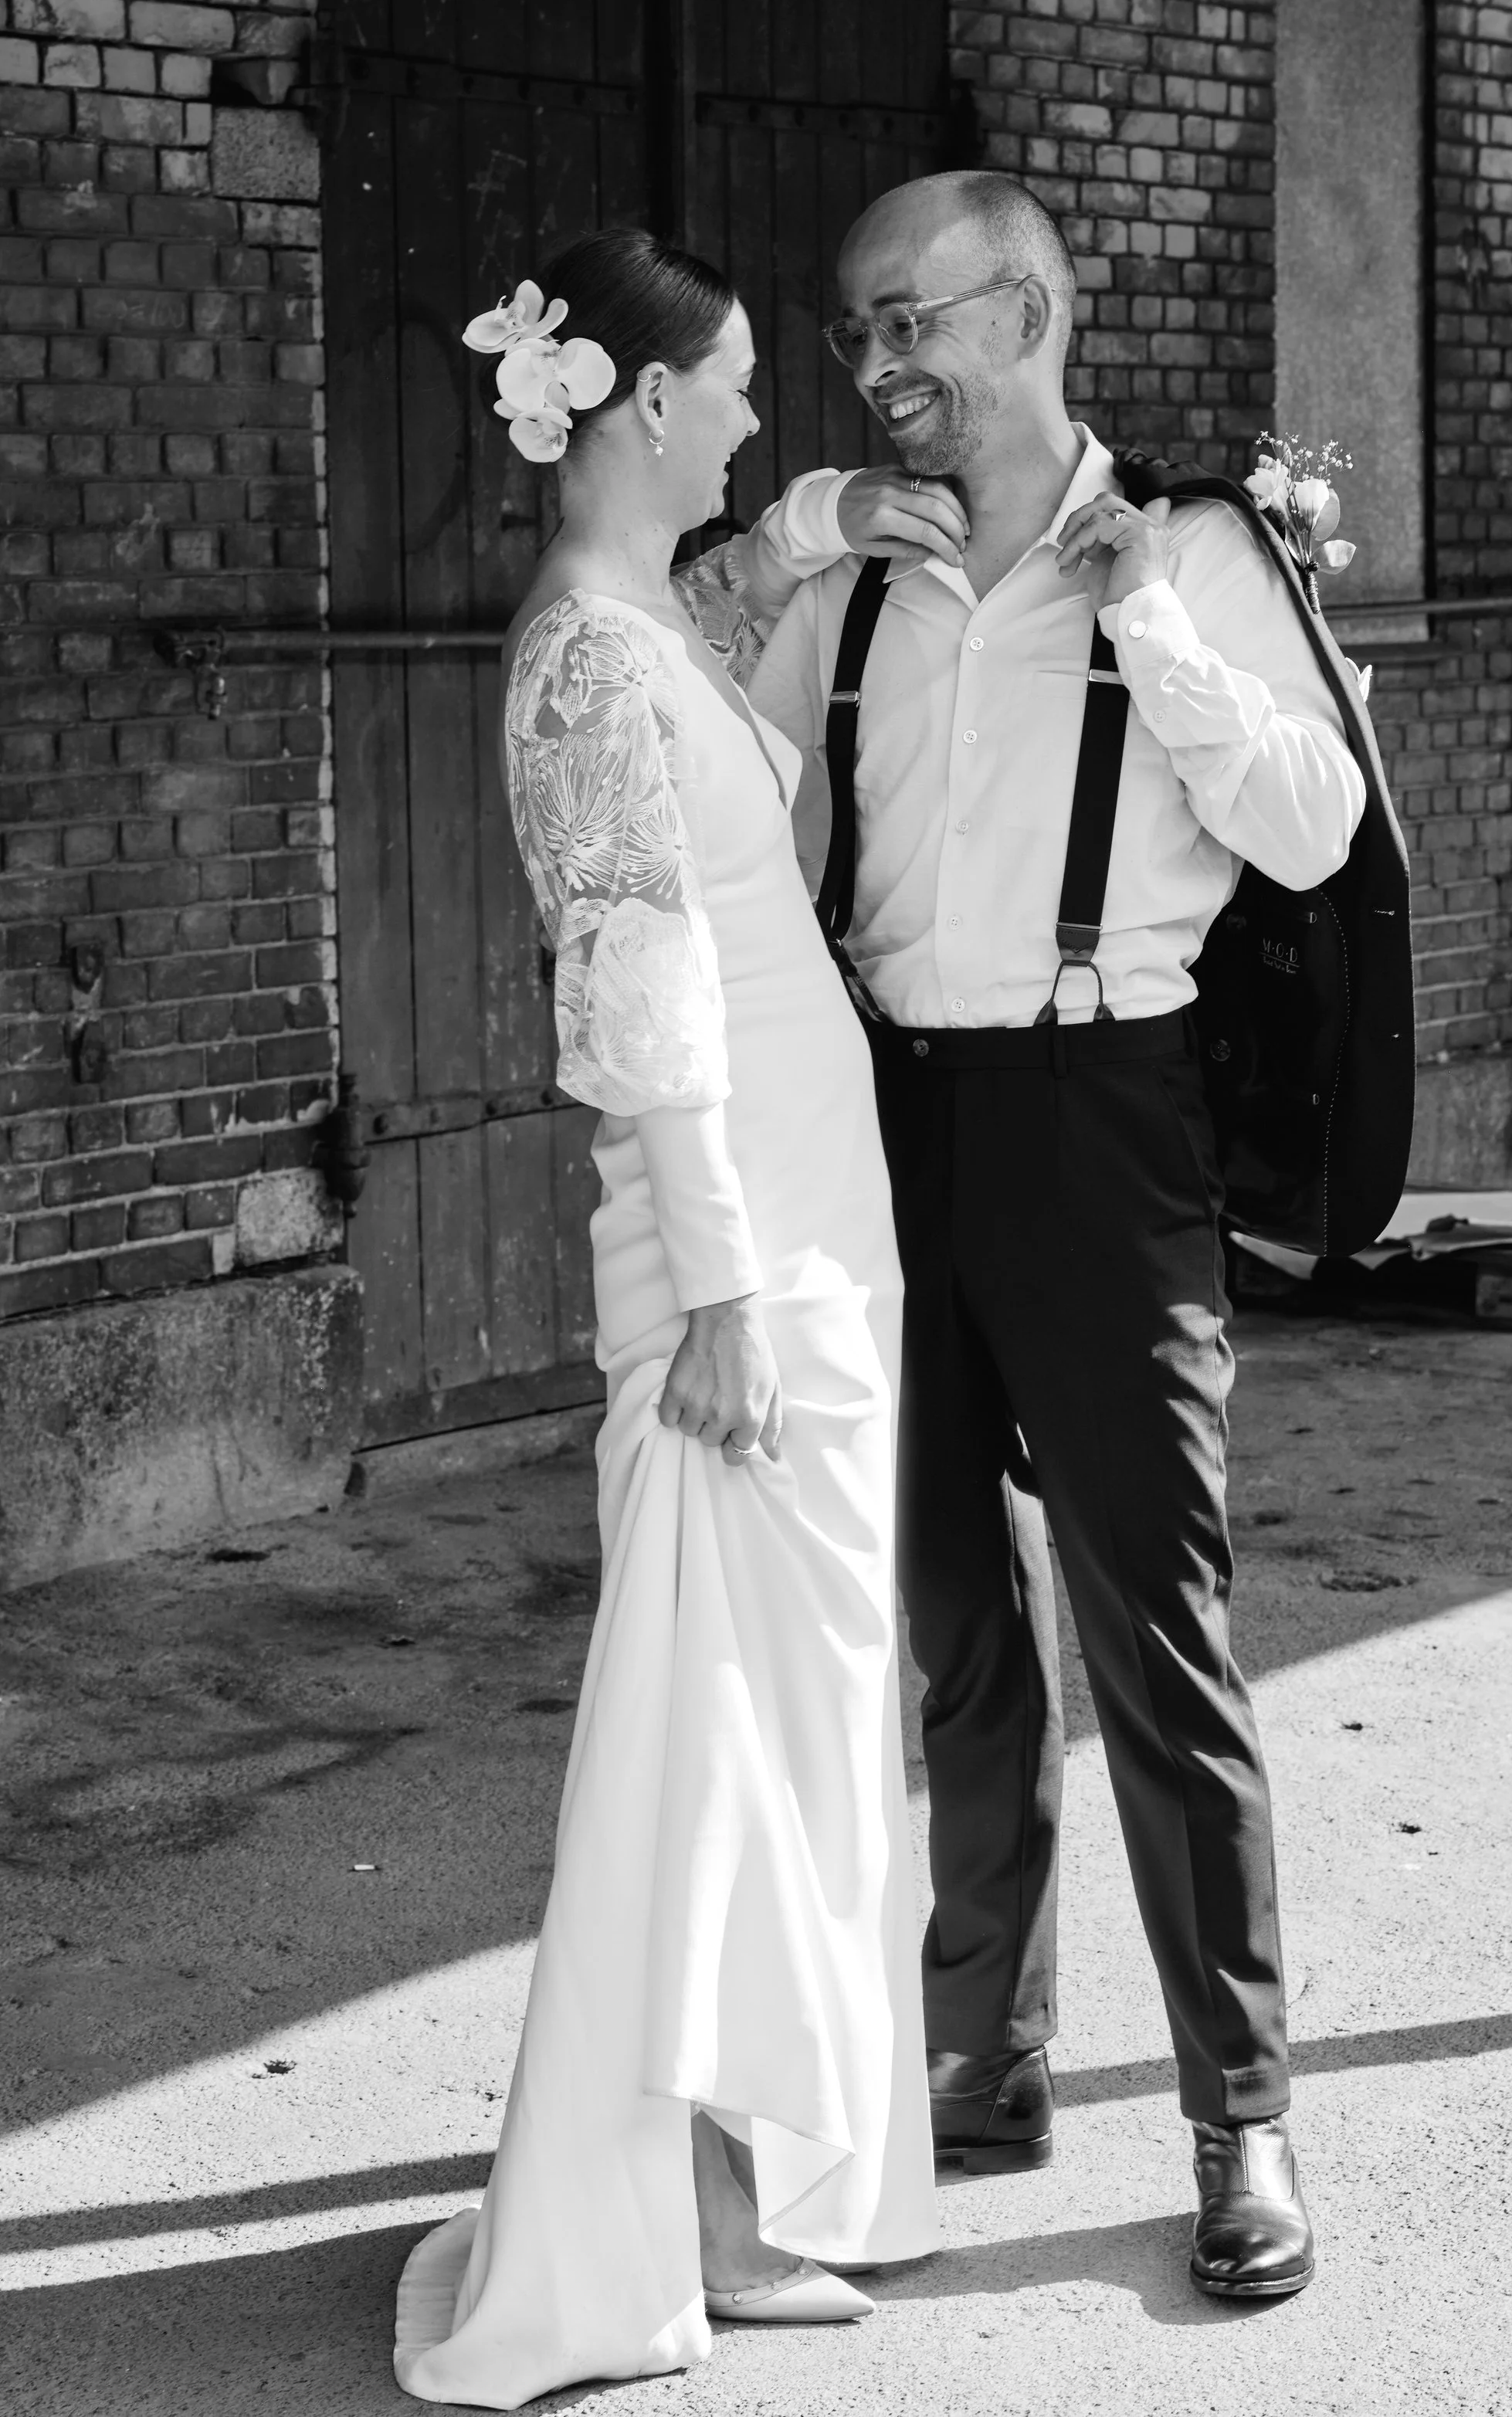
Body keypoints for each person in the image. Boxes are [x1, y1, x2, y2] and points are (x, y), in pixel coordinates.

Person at [743, 171, 1368, 2300]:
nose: (874, 365)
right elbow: (719, 773)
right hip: (884, 1117)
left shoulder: (1200, 549)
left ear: (1024, 312)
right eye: (853, 333)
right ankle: (981, 2055)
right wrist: (789, 544)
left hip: (1107, 1122)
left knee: (1157, 1632)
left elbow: (1312, 826)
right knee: (948, 1620)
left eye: (904, 320)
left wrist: (1149, 625)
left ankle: (1240, 2116)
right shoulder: (865, 571)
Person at [392, 229, 968, 2406]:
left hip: (813, 1222)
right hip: (739, 1258)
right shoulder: (578, 662)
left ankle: (735, 2183)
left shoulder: (646, 621)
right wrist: (720, 1288)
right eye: (729, 389)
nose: (751, 420)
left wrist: (826, 519)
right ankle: (669, 2216)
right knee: (714, 1736)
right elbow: (636, 996)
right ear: (640, 400)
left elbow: (722, 601)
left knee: (792, 1731)